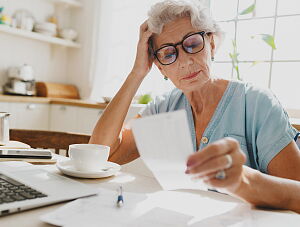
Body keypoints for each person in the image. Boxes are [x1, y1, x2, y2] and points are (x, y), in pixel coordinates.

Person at [90, 0, 300, 213]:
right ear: (160, 68)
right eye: (168, 54)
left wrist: (243, 180)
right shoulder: (164, 107)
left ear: (211, 44)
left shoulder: (257, 104)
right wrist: (137, 73)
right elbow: (100, 155)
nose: (185, 62)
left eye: (192, 44)